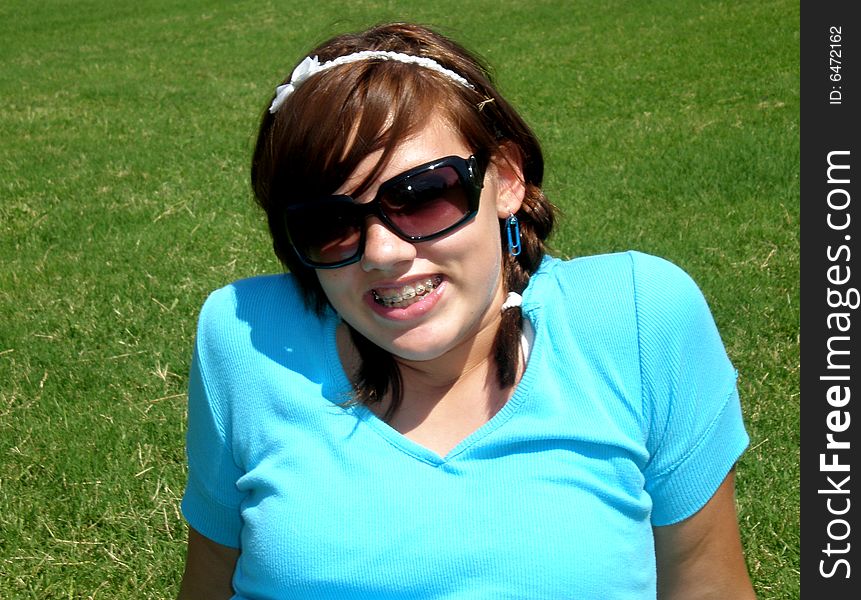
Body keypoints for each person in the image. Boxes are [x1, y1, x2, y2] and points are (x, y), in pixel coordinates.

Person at [177, 22, 756, 600]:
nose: (382, 254)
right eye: (328, 223)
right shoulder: (245, 338)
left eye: (423, 195)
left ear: (505, 180)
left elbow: (707, 585)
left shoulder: (636, 317)